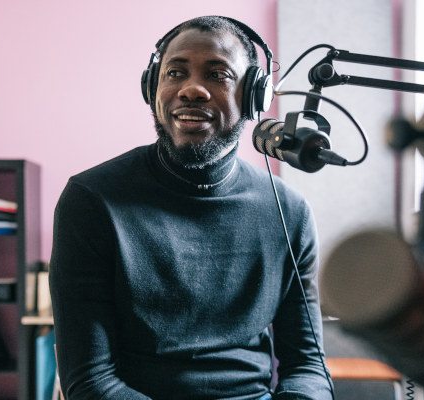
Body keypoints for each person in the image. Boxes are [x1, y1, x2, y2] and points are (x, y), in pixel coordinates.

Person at [49, 16, 331, 400]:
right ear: (153, 87)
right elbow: (90, 379)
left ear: (254, 97)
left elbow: (307, 367)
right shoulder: (91, 200)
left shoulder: (289, 212)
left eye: (218, 75)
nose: (192, 89)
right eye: (175, 72)